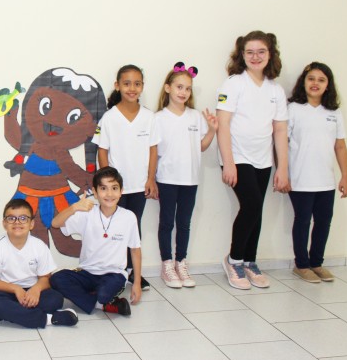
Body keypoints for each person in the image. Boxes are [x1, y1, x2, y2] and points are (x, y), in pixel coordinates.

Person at [1, 67, 107, 257]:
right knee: (38, 244)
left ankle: (100, 255)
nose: (54, 122)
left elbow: (72, 171)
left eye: (73, 118)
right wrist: (10, 113)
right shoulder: (31, 145)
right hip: (31, 200)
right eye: (46, 107)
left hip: (59, 200)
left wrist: (96, 184)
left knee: (64, 244)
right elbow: (13, 136)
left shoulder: (60, 154)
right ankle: (41, 271)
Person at [217, 31, 289, 290]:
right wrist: (229, 162)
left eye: (261, 52)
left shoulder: (276, 90)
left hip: (263, 159)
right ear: (242, 55)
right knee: (252, 205)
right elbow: (223, 125)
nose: (255, 57)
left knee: (256, 210)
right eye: (250, 52)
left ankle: (250, 261)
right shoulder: (233, 84)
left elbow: (280, 130)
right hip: (237, 157)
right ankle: (234, 260)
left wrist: (283, 168)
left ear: (270, 54)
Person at [92, 64, 158, 290]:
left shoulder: (149, 117)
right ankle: (113, 271)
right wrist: (107, 184)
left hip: (139, 186)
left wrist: (151, 179)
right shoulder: (109, 118)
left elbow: (153, 150)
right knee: (113, 230)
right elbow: (102, 151)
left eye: (137, 84)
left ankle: (131, 272)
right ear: (117, 86)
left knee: (133, 229)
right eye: (127, 83)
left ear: (142, 87)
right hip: (116, 190)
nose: (132, 88)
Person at [154, 63, 217, 288]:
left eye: (188, 88)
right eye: (179, 87)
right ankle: (167, 265)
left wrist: (212, 130)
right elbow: (152, 151)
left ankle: (181, 262)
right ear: (168, 88)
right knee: (166, 223)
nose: (183, 92)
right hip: (167, 179)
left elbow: (201, 147)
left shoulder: (195, 116)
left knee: (184, 223)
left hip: (190, 180)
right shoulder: (158, 118)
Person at [287, 62, 347, 283]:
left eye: (321, 80)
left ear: (328, 85)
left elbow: (340, 146)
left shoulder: (334, 112)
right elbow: (281, 143)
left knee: (323, 222)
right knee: (303, 221)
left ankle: (316, 263)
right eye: (311, 79)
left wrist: (345, 176)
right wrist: (282, 173)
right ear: (303, 82)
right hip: (300, 179)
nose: (315, 83)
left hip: (326, 181)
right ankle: (301, 265)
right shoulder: (293, 109)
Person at [50, 167, 142, 316]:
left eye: (114, 188)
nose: (109, 194)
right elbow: (55, 223)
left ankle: (97, 299)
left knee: (104, 293)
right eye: (103, 188)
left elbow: (135, 250)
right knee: (56, 279)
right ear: (95, 191)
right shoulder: (87, 214)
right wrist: (74, 207)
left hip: (114, 274)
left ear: (121, 191)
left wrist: (137, 283)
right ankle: (101, 304)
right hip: (87, 272)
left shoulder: (128, 217)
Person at [0, 198, 78, 328]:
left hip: (32, 290)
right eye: (11, 218)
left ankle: (1, 315)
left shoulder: (39, 246)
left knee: (55, 299)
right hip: (7, 291)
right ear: (4, 223)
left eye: (23, 218)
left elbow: (45, 278)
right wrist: (16, 289)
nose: (17, 222)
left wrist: (36, 290)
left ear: (31, 223)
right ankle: (49, 319)